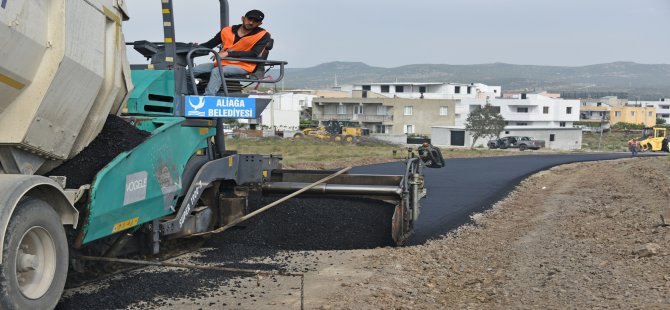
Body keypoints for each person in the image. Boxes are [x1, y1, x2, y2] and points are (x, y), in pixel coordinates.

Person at [190, 9, 271, 96]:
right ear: (243, 18)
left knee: (218, 71)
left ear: (259, 24)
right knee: (190, 72)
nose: (251, 22)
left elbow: (254, 53)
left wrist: (228, 54)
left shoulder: (263, 35)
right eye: (249, 19)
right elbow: (210, 44)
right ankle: (186, 95)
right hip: (222, 63)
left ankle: (208, 98)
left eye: (255, 21)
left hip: (244, 66)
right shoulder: (227, 31)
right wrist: (194, 48)